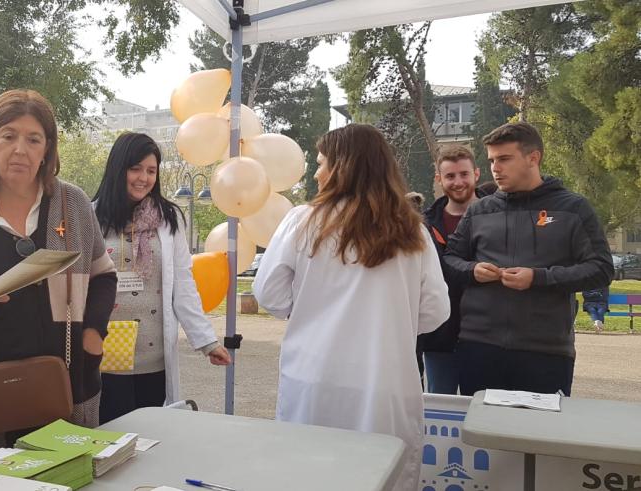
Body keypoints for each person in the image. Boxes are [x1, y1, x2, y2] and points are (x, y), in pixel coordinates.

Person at [0, 89, 118, 463]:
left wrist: (93, 336)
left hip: (66, 381)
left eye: (33, 139)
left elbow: (104, 277)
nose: (20, 149)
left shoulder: (71, 204)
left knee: (68, 474)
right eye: (8, 136)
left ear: (47, 148)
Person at [253, 124, 449, 491]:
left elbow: (268, 293)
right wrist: (390, 322)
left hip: (314, 375)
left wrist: (313, 313)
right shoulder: (412, 230)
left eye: (321, 162)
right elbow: (435, 310)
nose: (316, 172)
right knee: (380, 475)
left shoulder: (303, 221)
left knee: (308, 474)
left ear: (343, 166)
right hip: (385, 381)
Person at [444, 122, 613, 397]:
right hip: (479, 347)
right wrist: (471, 269)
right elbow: (450, 259)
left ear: (533, 158)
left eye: (504, 159)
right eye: (491, 160)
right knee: (483, 437)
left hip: (545, 352)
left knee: (538, 438)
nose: (495, 168)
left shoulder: (573, 208)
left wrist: (539, 277)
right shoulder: (479, 211)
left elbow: (601, 269)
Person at [90, 132, 231, 424]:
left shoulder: (168, 219)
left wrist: (207, 341)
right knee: (108, 438)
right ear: (118, 169)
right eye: (136, 168)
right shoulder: (91, 217)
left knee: (150, 438)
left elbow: (183, 282)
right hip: (103, 356)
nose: (144, 178)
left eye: (151, 171)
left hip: (153, 359)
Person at [418, 145, 486, 395]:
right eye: (450, 176)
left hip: (485, 336)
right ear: (439, 179)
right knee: (439, 413)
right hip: (440, 338)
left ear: (477, 174)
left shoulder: (499, 217)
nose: (458, 182)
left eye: (464, 174)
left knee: (481, 416)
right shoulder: (423, 224)